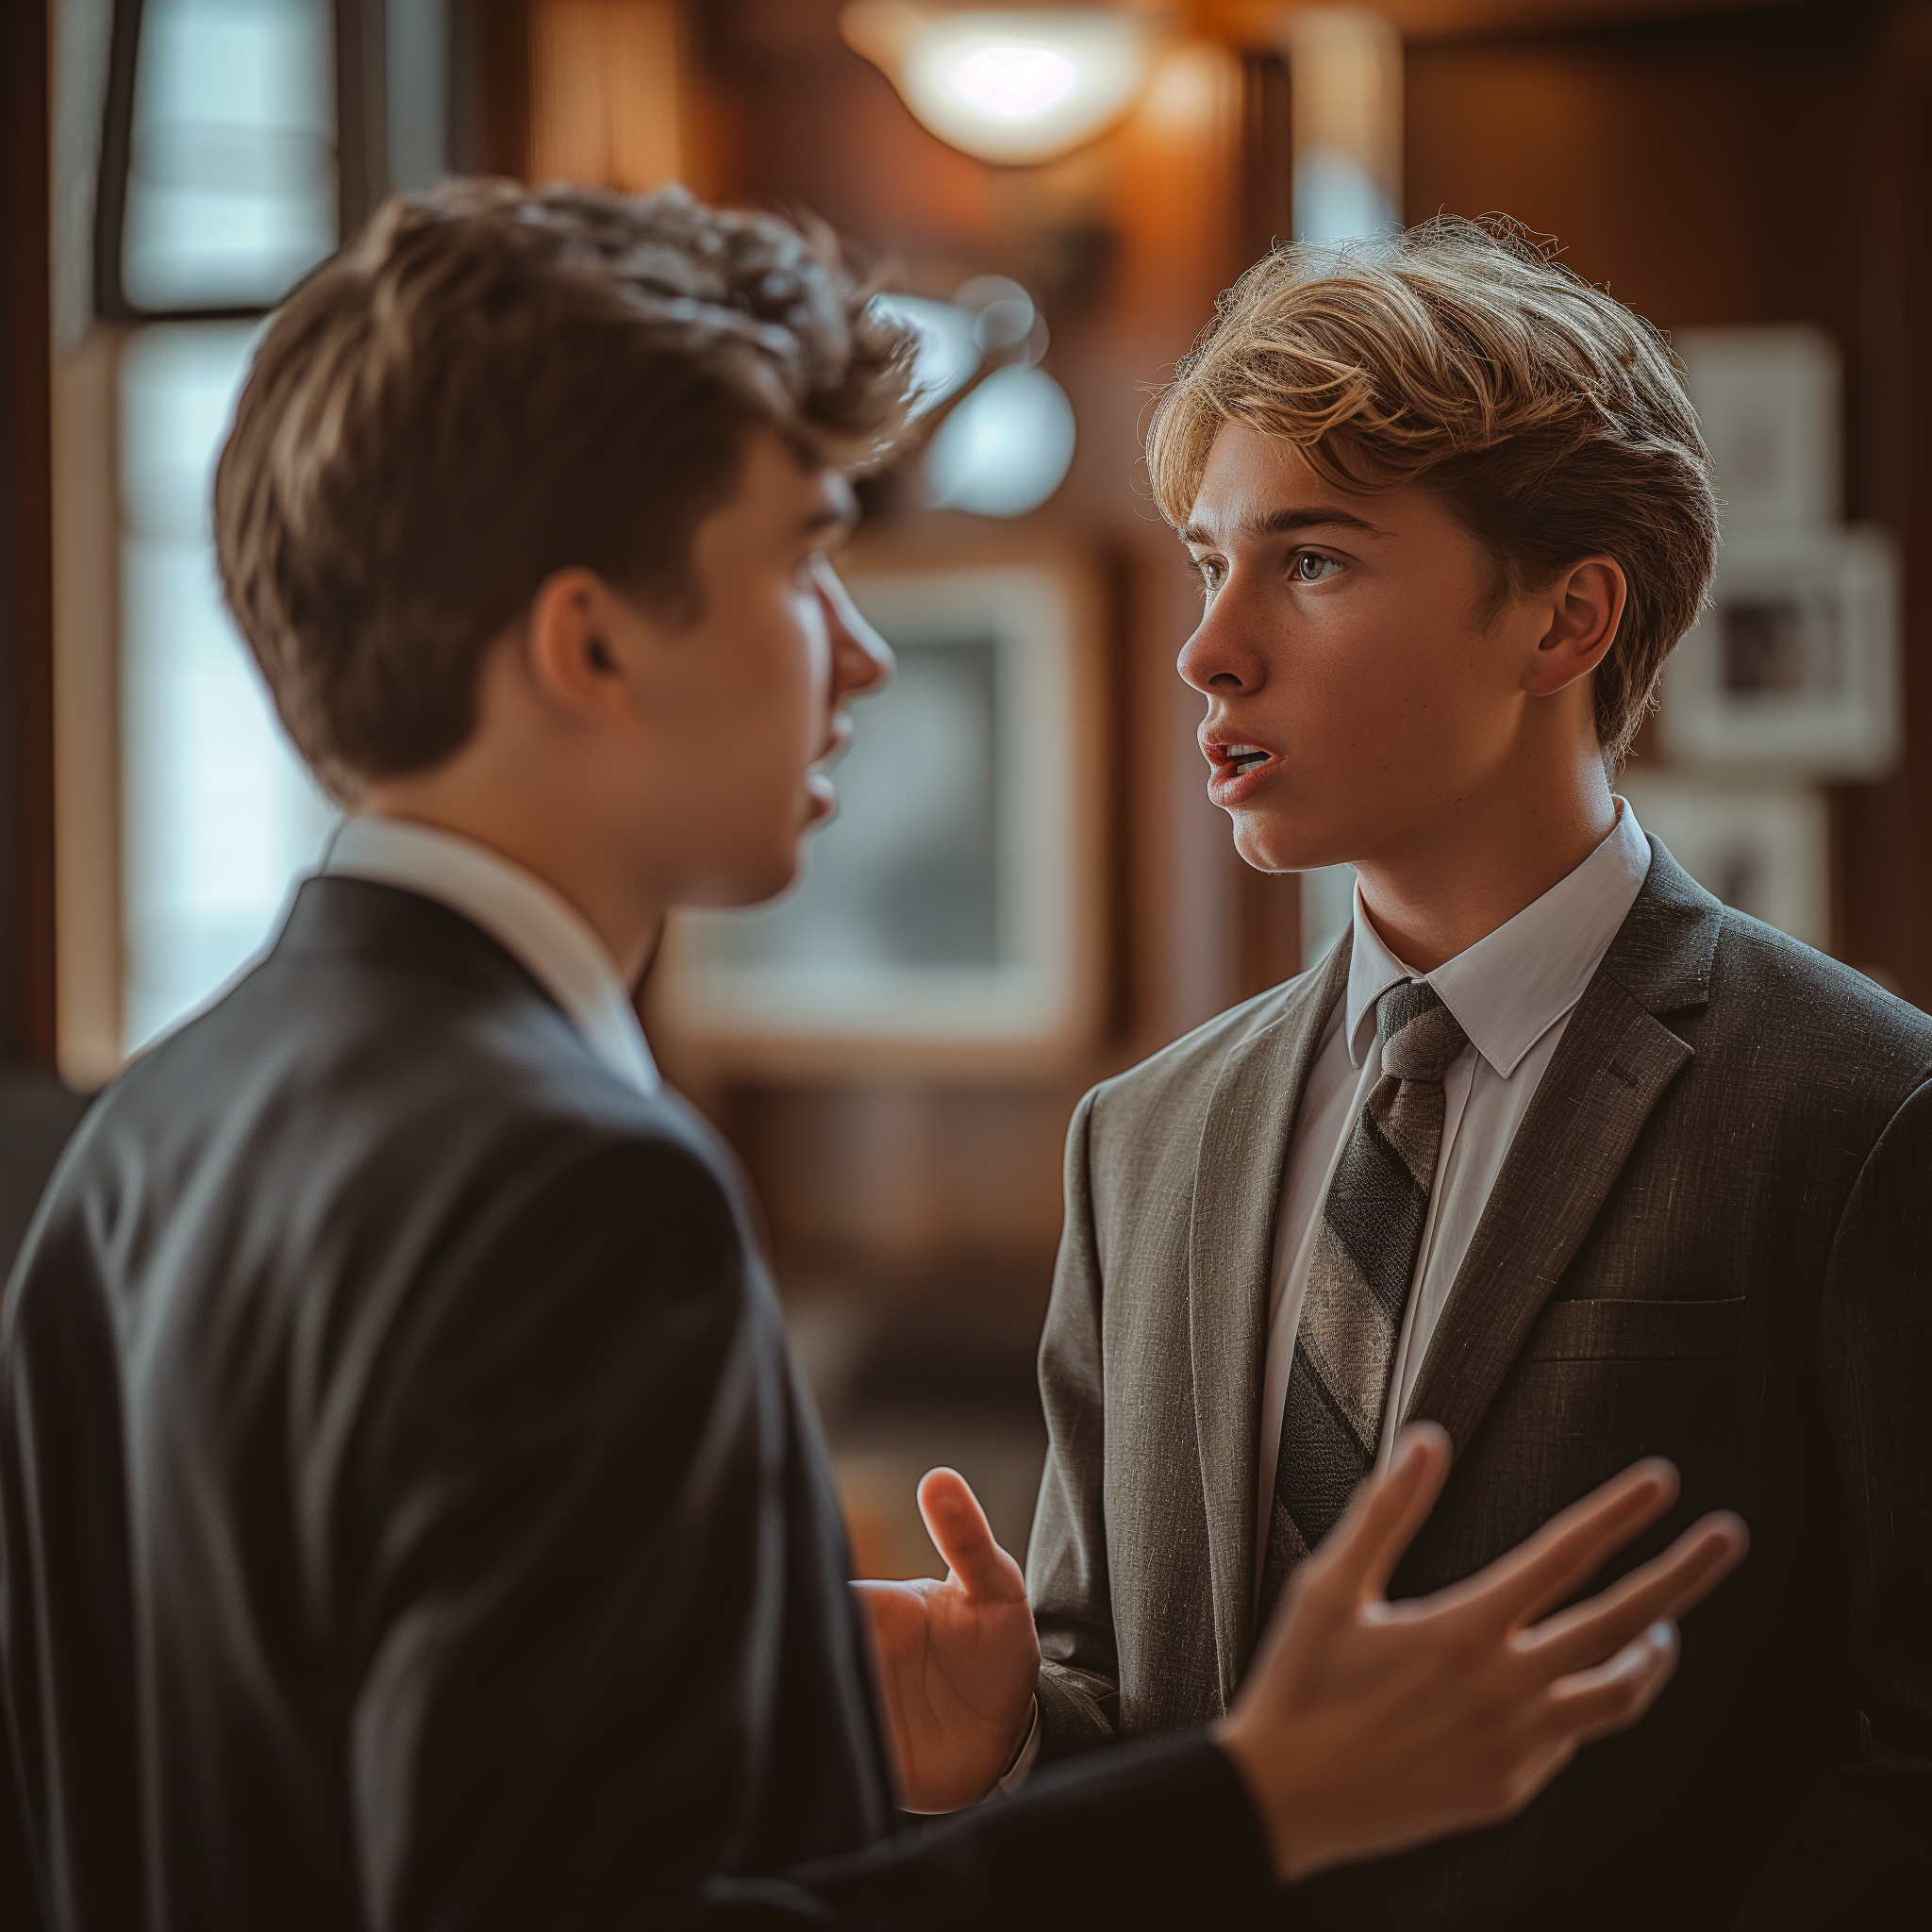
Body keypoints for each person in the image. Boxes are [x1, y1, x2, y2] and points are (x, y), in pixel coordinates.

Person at [0, 186, 1743, 1932]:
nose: (865, 645)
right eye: (801, 557)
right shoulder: (575, 1182)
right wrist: (1251, 1805)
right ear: (593, 640)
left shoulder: (139, 1142)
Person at [949, 218, 1927, 1928]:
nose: (1212, 649)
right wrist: (1001, 1738)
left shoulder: (1865, 1112)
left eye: (1310, 561)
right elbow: (1125, 1710)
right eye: (1207, 562)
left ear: (1565, 618)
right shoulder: (1143, 1137)